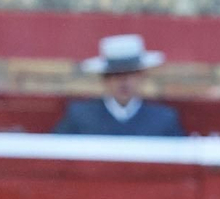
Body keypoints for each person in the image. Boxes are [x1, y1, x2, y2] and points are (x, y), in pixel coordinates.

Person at [53, 34, 186, 136]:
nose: (123, 81)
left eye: (130, 73)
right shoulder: (81, 116)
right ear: (105, 79)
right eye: (116, 74)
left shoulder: (163, 119)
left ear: (141, 76)